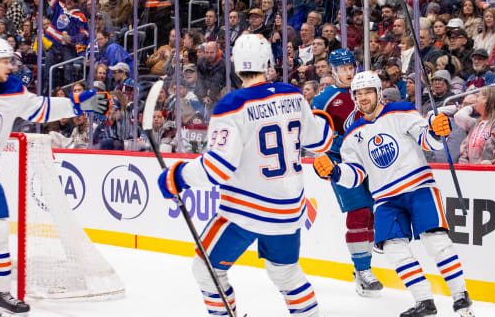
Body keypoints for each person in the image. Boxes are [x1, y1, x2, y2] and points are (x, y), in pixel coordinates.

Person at [156, 34, 334, 316]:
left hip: (244, 212)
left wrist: (178, 176)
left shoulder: (233, 104)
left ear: (237, 66)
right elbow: (320, 141)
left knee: (206, 270)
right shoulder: (292, 94)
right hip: (288, 210)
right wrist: (323, 117)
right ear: (267, 64)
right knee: (287, 274)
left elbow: (217, 167)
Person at [0, 37, 108, 316]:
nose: (10, 66)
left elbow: (42, 108)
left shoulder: (13, 91)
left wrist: (79, 104)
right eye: (5, 60)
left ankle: (1, 295)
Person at [313, 70, 475, 317]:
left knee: (436, 242)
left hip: (418, 187)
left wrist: (436, 131)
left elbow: (427, 141)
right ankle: (424, 302)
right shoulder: (353, 133)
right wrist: (334, 172)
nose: (363, 98)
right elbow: (355, 174)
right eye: (358, 93)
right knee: (393, 248)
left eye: (368, 92)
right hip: (386, 198)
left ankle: (460, 296)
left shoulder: (401, 111)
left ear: (379, 92)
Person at [311, 49, 384, 297]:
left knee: (371, 214)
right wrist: (333, 147)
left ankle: (364, 268)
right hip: (341, 164)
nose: (349, 72)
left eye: (351, 67)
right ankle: (363, 271)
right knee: (359, 211)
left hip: (368, 160)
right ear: (333, 71)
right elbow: (313, 136)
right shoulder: (325, 99)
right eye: (343, 68)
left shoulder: (365, 91)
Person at [456, 86, 495, 164]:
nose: (476, 100)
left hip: (488, 171)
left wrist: (481, 166)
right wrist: (464, 166)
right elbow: (465, 147)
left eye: (478, 96)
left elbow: (493, 149)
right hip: (470, 171)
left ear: (486, 99)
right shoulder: (476, 123)